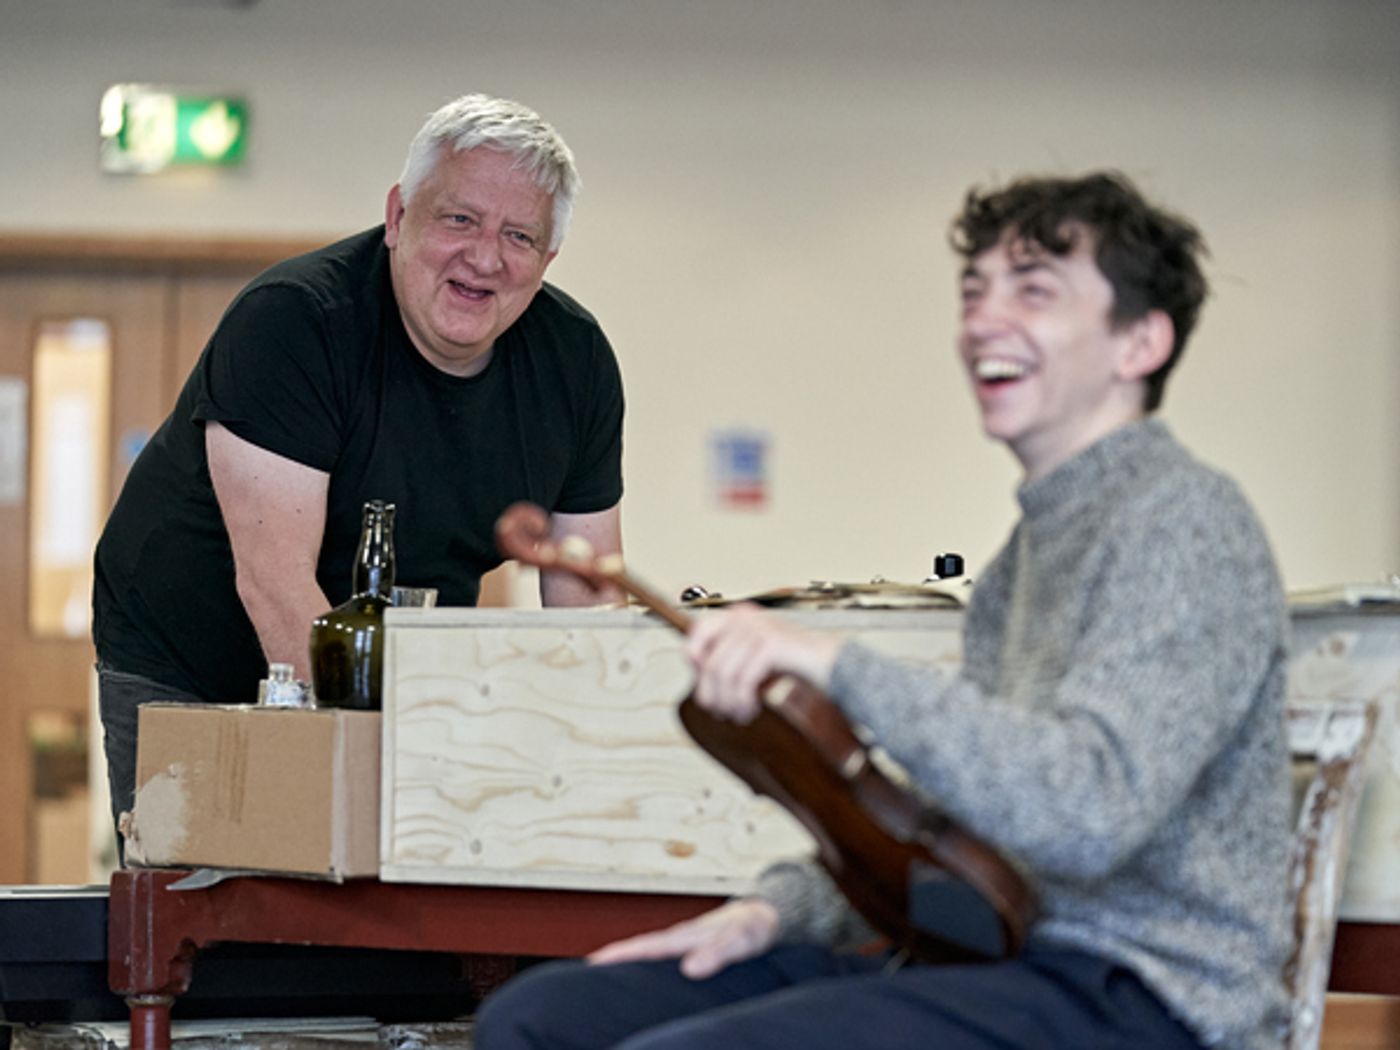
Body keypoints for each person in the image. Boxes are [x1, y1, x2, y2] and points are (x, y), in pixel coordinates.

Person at [473, 172, 1292, 1050]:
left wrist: (835, 665)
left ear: (1141, 342)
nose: (983, 320)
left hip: (1139, 998)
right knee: (539, 1019)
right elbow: (943, 821)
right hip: (987, 963)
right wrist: (766, 914)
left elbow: (1087, 812)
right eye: (975, 291)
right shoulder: (1030, 553)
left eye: (1034, 291)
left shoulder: (1186, 521)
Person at [93, 93, 625, 833]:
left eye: (520, 235)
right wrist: (410, 762)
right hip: (193, 654)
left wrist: (591, 756)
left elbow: (589, 604)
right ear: (399, 216)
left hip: (393, 663)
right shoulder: (295, 322)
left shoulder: (576, 363)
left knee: (408, 907)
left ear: (548, 258)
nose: (485, 257)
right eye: (459, 219)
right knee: (228, 906)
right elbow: (275, 584)